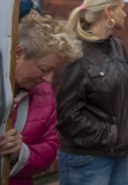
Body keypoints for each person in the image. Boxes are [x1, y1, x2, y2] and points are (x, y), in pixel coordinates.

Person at [53, 0, 128, 185]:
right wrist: (109, 135)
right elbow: (65, 112)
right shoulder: (76, 53)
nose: (125, 13)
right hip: (88, 158)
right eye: (122, 8)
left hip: (124, 152)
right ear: (109, 12)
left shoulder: (117, 46)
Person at [0, 15, 81, 184]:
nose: (49, 79)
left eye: (54, 72)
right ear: (18, 53)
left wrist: (18, 154)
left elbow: (50, 149)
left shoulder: (44, 93)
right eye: (44, 69)